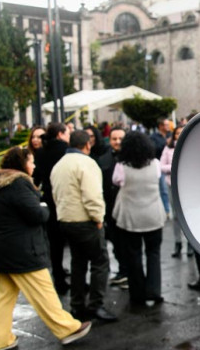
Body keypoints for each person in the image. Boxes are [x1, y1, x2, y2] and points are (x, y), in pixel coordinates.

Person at [0, 147, 92, 350]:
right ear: (22, 164)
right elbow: (37, 215)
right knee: (43, 290)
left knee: (3, 298)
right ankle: (67, 328)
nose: (33, 165)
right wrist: (43, 205)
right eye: (31, 162)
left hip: (2, 249)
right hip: (22, 250)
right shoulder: (18, 184)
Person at [50, 130, 117, 322]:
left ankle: (77, 305)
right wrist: (98, 218)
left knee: (78, 263)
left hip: (66, 220)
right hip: (85, 221)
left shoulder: (60, 165)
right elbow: (93, 195)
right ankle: (96, 305)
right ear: (87, 145)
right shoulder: (86, 163)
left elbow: (56, 194)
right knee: (100, 261)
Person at [113, 131, 167, 307]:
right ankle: (154, 291)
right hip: (153, 214)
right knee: (154, 254)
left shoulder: (121, 166)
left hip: (130, 217)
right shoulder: (155, 164)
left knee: (133, 256)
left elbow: (115, 181)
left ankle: (137, 294)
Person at [32, 123, 71, 295]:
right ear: (61, 134)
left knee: (54, 243)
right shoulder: (66, 151)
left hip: (49, 200)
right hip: (67, 199)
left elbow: (36, 179)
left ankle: (59, 276)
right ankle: (77, 279)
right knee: (74, 241)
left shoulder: (40, 153)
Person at [98, 127, 127, 286]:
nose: (117, 142)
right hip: (110, 208)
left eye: (120, 138)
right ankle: (123, 270)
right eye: (114, 139)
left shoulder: (132, 158)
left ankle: (127, 271)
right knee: (115, 242)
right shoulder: (103, 160)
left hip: (127, 208)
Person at [161, 125, 192, 259]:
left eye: (182, 132)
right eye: (177, 133)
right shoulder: (168, 149)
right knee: (176, 217)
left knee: (190, 215)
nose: (179, 135)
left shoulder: (191, 147)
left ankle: (191, 244)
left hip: (188, 186)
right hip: (173, 186)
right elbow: (162, 166)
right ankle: (178, 243)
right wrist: (175, 166)